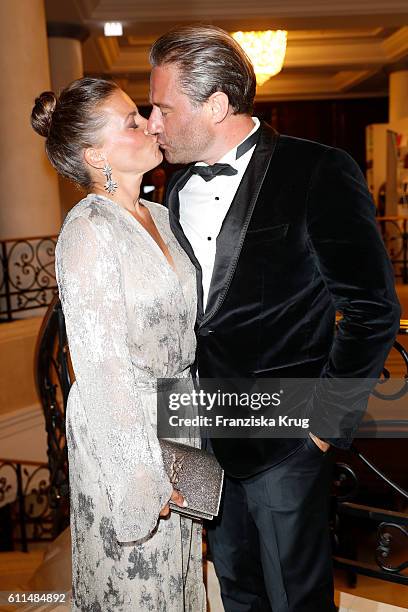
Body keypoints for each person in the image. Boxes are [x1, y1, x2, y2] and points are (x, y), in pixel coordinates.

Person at [147, 25, 401, 612]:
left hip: (286, 441)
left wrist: (321, 428)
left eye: (162, 107)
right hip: (201, 433)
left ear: (215, 105)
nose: (153, 122)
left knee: (298, 600)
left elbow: (371, 307)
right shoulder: (175, 187)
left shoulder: (318, 170)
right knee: (236, 591)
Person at [31, 77, 206, 612]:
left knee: (182, 575)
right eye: (131, 122)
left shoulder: (160, 216)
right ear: (95, 154)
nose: (152, 123)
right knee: (140, 586)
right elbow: (103, 371)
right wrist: (142, 477)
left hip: (179, 413)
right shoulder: (88, 231)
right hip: (123, 432)